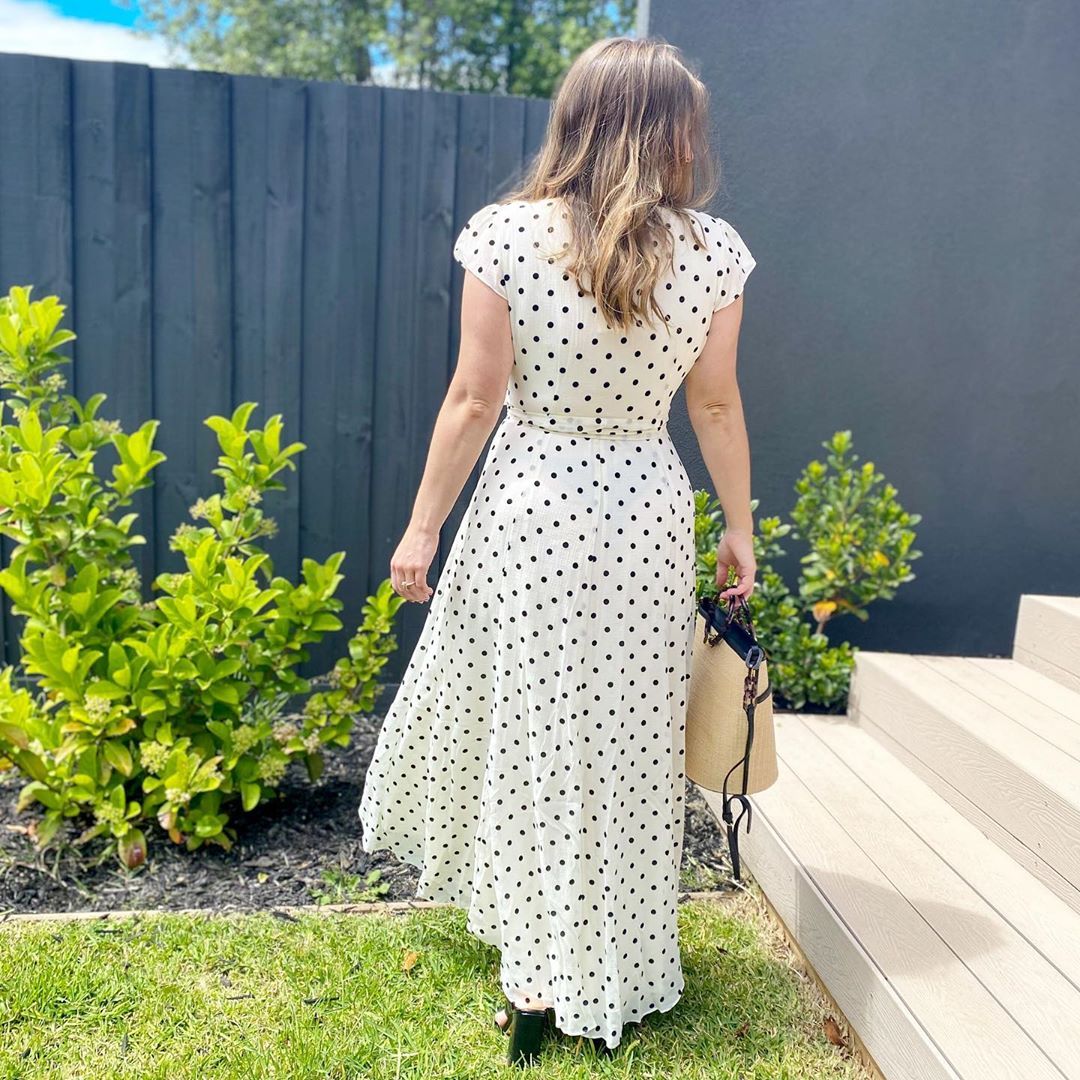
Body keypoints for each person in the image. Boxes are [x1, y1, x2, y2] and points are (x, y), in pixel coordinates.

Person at [358, 34, 757, 1067]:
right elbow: (714, 406)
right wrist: (739, 527)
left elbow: (474, 398)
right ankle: (613, 956)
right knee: (629, 742)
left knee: (535, 733)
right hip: (646, 513)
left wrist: (421, 526)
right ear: (668, 133)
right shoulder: (716, 253)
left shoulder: (506, 236)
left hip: (535, 509)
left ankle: (536, 974)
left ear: (577, 119)